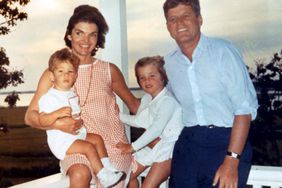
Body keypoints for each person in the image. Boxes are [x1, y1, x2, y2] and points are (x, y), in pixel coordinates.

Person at [24, 5, 140, 188]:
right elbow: (30, 117)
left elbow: (135, 106)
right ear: (69, 35)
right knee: (79, 173)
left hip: (112, 146)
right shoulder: (54, 73)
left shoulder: (109, 70)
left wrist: (163, 123)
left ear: (98, 38)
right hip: (76, 142)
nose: (85, 40)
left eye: (92, 34)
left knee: (116, 177)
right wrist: (56, 123)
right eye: (79, 33)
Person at [163, 0, 258, 187]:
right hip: (189, 144)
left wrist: (231, 160)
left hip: (227, 142)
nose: (179, 23)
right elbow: (168, 103)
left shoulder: (223, 52)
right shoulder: (169, 63)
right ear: (168, 27)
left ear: (199, 19)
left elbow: (244, 110)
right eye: (173, 19)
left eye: (186, 16)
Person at [38, 48, 124, 187]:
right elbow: (42, 120)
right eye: (60, 71)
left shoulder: (70, 92)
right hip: (62, 141)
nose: (66, 75)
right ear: (52, 76)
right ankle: (103, 176)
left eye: (70, 72)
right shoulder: (50, 97)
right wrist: (56, 114)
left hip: (76, 135)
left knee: (97, 139)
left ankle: (108, 168)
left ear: (75, 76)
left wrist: (78, 122)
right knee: (89, 147)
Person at [116, 56, 183, 188]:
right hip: (152, 147)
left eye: (152, 75)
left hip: (168, 150)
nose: (147, 80)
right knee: (127, 176)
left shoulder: (167, 101)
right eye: (142, 78)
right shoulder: (147, 98)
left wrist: (132, 147)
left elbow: (156, 128)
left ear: (163, 77)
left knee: (148, 186)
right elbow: (139, 120)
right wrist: (116, 115)